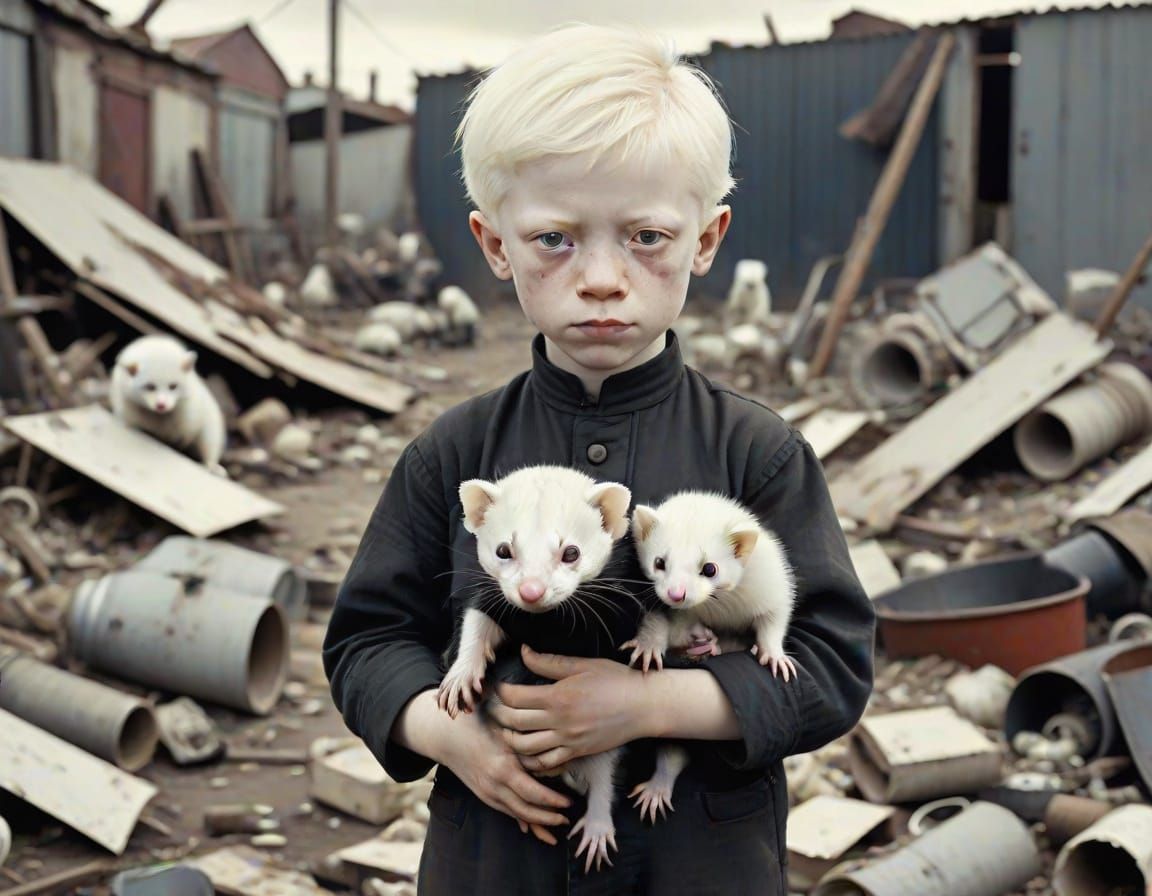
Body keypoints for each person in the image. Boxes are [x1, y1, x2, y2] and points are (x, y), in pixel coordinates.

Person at [323, 22, 874, 895]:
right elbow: (367, 639)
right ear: (496, 244)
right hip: (495, 861)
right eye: (556, 239)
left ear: (707, 237)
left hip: (697, 864)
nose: (604, 277)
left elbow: (833, 664)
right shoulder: (452, 454)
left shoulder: (757, 453)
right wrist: (451, 736)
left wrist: (651, 703)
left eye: (647, 237)